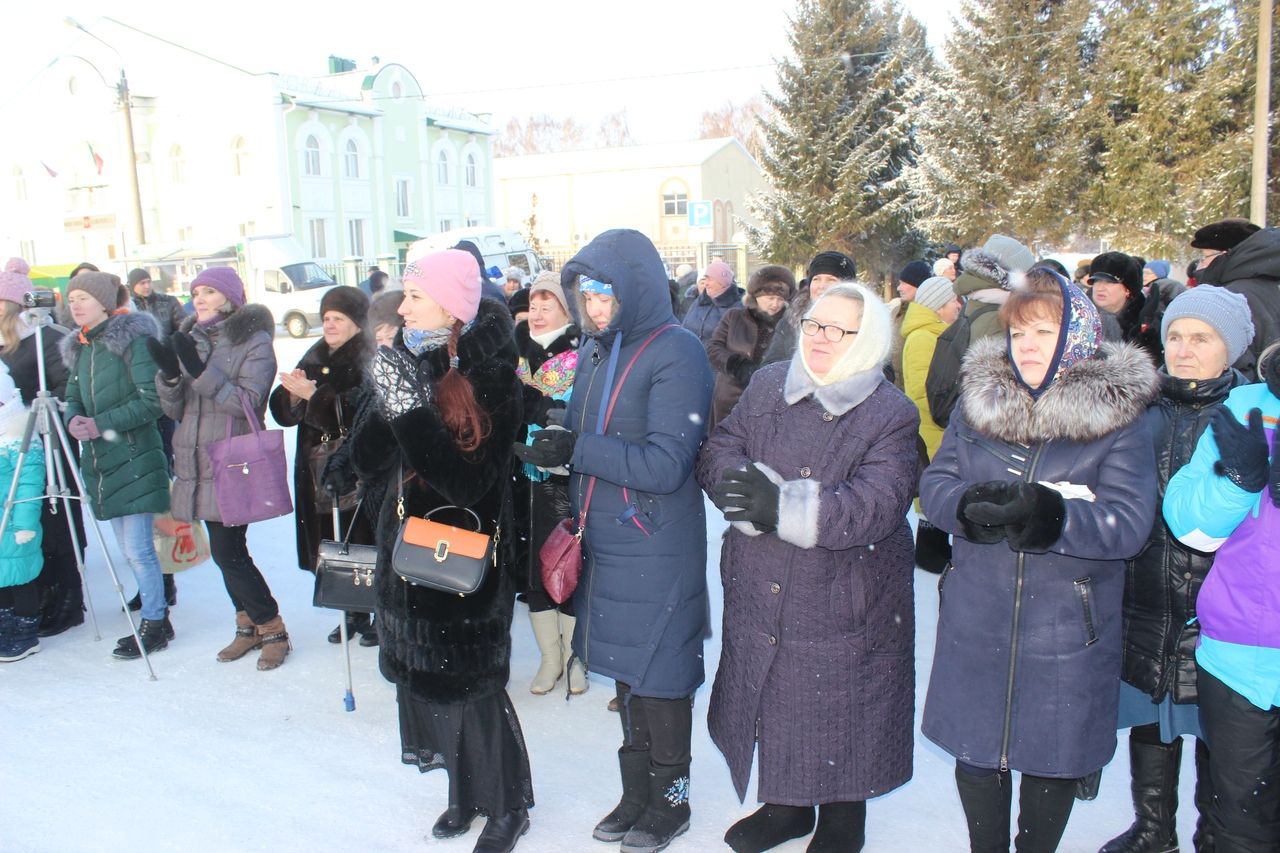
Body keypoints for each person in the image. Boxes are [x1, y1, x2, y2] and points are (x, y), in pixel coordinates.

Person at [919, 269, 1159, 853]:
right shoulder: (980, 405)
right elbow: (937, 481)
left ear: (1076, 337)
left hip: (1066, 624)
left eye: (1044, 332)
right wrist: (968, 507)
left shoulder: (1116, 421)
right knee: (977, 753)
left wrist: (1050, 517)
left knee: (1051, 757)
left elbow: (1128, 525)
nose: (1026, 345)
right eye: (1018, 332)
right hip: (978, 611)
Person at [697, 282, 918, 853]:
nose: (821, 338)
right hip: (761, 572)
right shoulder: (772, 383)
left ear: (866, 340)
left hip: (846, 587)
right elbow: (722, 447)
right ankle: (788, 807)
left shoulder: (889, 412)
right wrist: (748, 497)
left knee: (842, 700)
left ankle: (844, 820)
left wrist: (787, 507)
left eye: (839, 330)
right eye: (816, 324)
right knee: (777, 693)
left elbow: (878, 502)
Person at [513, 229, 713, 853]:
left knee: (662, 674)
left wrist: (579, 451)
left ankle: (671, 801)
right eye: (586, 297)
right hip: (603, 536)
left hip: (655, 542)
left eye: (605, 296)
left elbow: (666, 463)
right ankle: (637, 793)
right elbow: (581, 436)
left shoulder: (677, 351)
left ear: (637, 289)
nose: (595, 309)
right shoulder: (597, 352)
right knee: (628, 675)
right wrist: (554, 450)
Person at [340, 249, 532, 851]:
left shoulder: (494, 374)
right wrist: (389, 390)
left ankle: (506, 806)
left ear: (452, 308)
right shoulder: (408, 356)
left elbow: (467, 481)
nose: (403, 304)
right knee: (426, 686)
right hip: (404, 553)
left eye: (417, 295)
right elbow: (365, 461)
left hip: (461, 554)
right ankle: (462, 793)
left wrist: (410, 409)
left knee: (472, 688)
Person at [1100, 287, 1254, 853]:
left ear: (1231, 348)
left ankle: (1214, 833)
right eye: (1174, 337)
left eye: (1201, 338)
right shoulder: (1137, 408)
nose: (1184, 350)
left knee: (1222, 728)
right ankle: (1152, 827)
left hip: (1223, 604)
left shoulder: (1252, 412)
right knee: (1151, 713)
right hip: (1144, 588)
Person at [1161, 341, 1280, 853]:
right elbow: (1189, 526)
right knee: (1240, 826)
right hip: (1244, 658)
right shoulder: (1249, 407)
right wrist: (1239, 483)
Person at [149, 267, 290, 671]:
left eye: (210, 291)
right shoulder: (190, 338)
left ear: (229, 298)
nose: (200, 298)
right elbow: (175, 409)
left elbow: (248, 402)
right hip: (195, 458)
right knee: (224, 552)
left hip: (231, 461)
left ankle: (272, 627)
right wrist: (172, 378)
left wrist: (200, 373)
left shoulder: (254, 340)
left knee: (229, 552)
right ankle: (246, 625)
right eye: (196, 292)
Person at [59, 272, 174, 659]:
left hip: (135, 457)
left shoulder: (132, 342)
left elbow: (151, 401)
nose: (74, 305)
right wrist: (74, 417)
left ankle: (156, 623)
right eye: (71, 298)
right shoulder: (82, 347)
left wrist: (100, 423)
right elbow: (73, 394)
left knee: (138, 549)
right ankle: (157, 615)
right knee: (129, 549)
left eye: (82, 298)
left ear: (104, 303)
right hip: (102, 461)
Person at [268, 285, 377, 646]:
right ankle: (350, 609)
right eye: (326, 318)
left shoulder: (368, 356)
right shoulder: (314, 354)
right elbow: (284, 411)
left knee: (362, 538)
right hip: (314, 467)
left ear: (358, 323)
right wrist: (291, 395)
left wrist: (315, 397)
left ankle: (377, 611)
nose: (329, 325)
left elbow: (358, 414)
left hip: (352, 466)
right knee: (332, 540)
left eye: (338, 318)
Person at [0, 258, 89, 638]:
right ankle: (35, 591)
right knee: (23, 523)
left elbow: (70, 392)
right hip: (12, 448)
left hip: (50, 445)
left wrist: (30, 408)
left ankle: (68, 597)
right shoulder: (7, 343)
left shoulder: (49, 340)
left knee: (57, 519)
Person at [512, 270, 584, 695]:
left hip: (565, 476)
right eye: (533, 306)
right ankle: (549, 657)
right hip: (522, 476)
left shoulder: (583, 353)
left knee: (569, 562)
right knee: (534, 567)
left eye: (548, 305)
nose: (537, 314)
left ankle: (576, 657)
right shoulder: (515, 354)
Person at [901, 275, 962, 572]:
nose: (957, 306)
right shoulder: (924, 337)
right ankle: (928, 554)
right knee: (931, 492)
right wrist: (945, 414)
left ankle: (934, 549)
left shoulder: (936, 332)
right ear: (938, 305)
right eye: (953, 301)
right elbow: (922, 388)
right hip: (932, 426)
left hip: (936, 425)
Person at [706, 265, 795, 427]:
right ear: (756, 296)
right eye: (770, 298)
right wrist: (736, 365)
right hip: (729, 398)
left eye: (780, 299)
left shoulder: (787, 325)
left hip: (769, 403)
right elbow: (714, 347)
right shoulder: (734, 317)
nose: (775, 304)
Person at [0, 360, 46, 662]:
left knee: (21, 577)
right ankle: (5, 622)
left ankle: (26, 629)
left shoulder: (19, 435)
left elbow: (29, 485)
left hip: (15, 524)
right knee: (3, 577)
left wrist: (25, 525)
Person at [1192, 223, 1279, 379]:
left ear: (1226, 254)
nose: (1200, 265)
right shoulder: (1269, 285)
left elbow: (1234, 370)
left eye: (1204, 257)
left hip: (1242, 398)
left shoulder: (1231, 296)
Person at [762, 250, 857, 366]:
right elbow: (770, 367)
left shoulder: (862, 321)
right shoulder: (790, 321)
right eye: (816, 279)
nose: (822, 286)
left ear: (848, 286)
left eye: (831, 280)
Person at [1087, 252, 1163, 363]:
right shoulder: (1080, 316)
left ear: (1128, 289)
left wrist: (1144, 332)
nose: (1100, 288)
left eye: (1109, 282)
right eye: (1096, 281)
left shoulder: (1148, 322)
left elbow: (1152, 365)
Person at [682, 260, 744, 346]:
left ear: (722, 282)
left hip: (714, 358)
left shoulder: (737, 308)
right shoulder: (700, 301)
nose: (706, 283)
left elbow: (738, 345)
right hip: (691, 356)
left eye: (710, 279)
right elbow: (684, 327)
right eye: (705, 278)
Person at [128, 269, 183, 339]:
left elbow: (183, 326)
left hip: (167, 347)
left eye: (149, 282)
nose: (147, 286)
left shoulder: (168, 301)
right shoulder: (129, 306)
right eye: (142, 283)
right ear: (133, 286)